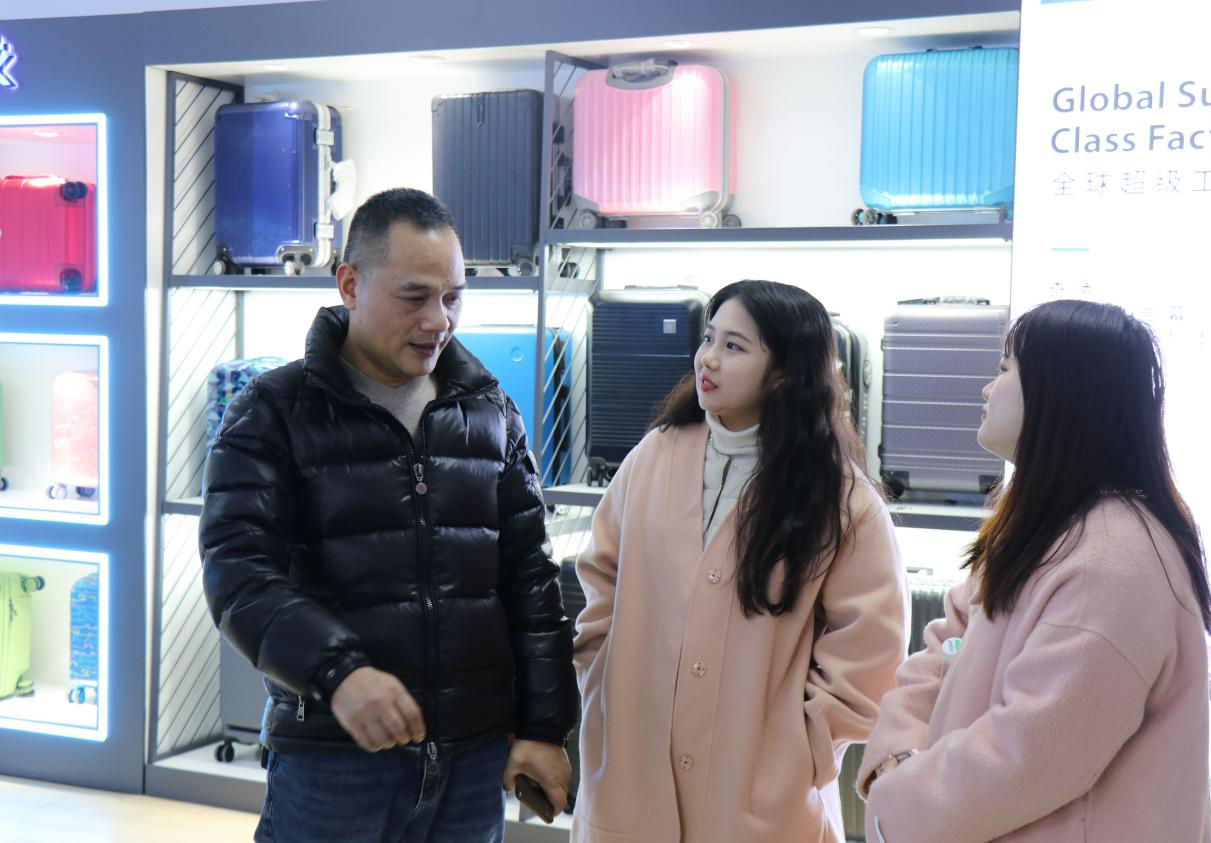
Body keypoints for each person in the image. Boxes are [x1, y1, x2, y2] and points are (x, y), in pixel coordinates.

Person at [200, 188, 578, 843]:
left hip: (471, 764)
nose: (439, 320)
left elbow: (530, 580)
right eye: (414, 297)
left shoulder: (489, 411)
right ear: (350, 284)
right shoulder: (272, 412)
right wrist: (338, 672)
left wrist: (545, 727)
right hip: (334, 761)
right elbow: (239, 575)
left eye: (453, 296)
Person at [858, 299, 1211, 842]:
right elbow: (944, 647)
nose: (986, 389)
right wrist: (896, 762)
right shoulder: (1047, 526)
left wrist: (904, 793)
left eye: (1004, 368)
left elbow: (1029, 751)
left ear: (1060, 392)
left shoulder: (1113, 557)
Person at [571, 280, 909, 842]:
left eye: (734, 346)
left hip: (761, 804)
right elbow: (600, 576)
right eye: (709, 339)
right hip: (631, 772)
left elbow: (871, 652)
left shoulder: (840, 499)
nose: (708, 358)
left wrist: (800, 749)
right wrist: (600, 679)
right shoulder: (654, 455)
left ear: (784, 372)